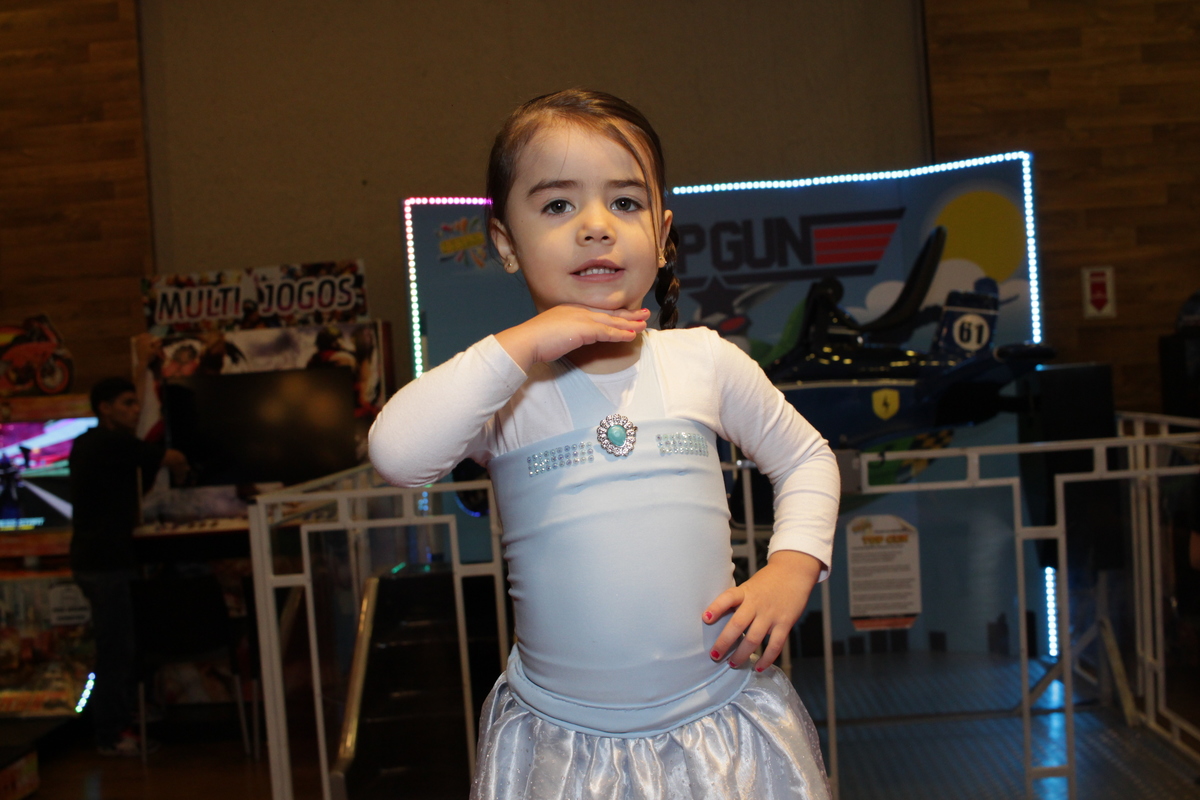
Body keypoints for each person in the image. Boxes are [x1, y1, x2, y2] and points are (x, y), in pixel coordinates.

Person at [369, 89, 839, 799]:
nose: (596, 226)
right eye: (558, 205)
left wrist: (794, 565)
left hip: (721, 733)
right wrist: (523, 346)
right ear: (505, 242)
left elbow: (805, 457)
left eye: (624, 202)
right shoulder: (501, 388)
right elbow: (398, 455)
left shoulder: (702, 360)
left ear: (663, 232)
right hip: (564, 752)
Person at [70, 353, 188, 756]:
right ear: (105, 409)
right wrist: (181, 469)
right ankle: (111, 734)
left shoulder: (93, 443)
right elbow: (168, 457)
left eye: (137, 402)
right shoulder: (107, 443)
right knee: (116, 650)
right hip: (104, 564)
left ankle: (121, 721)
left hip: (99, 561)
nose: (136, 409)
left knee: (121, 645)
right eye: (127, 403)